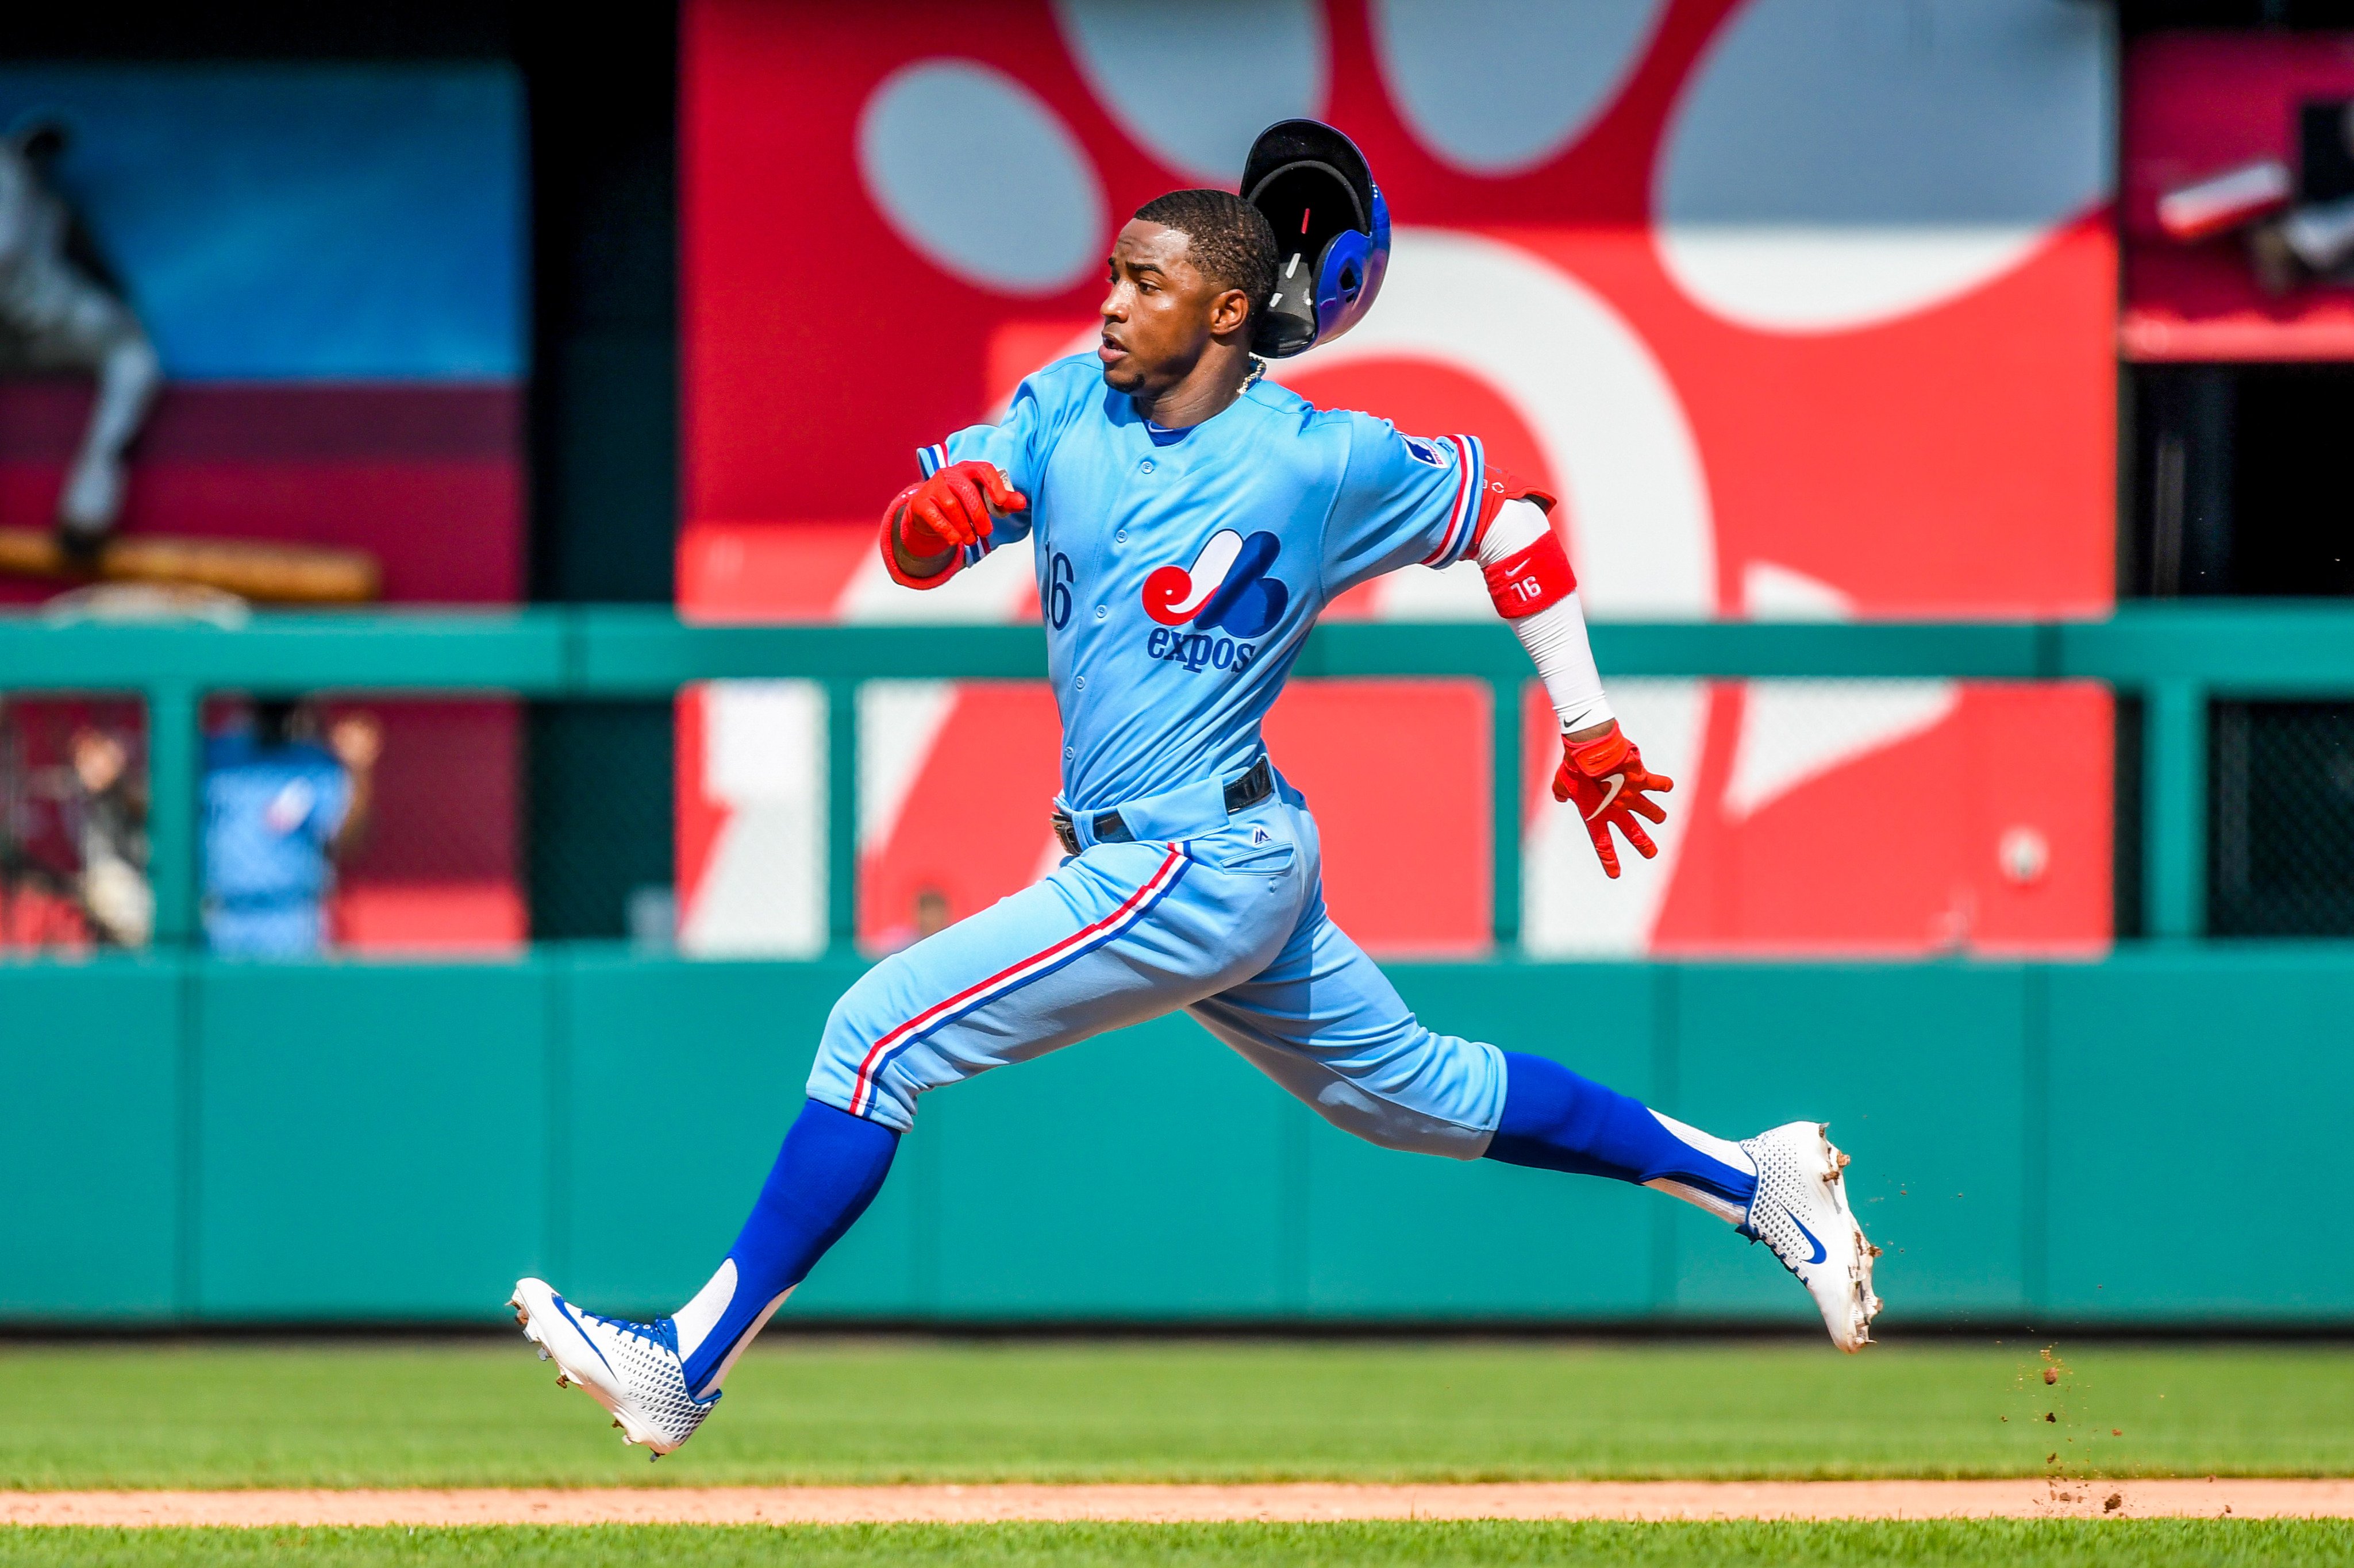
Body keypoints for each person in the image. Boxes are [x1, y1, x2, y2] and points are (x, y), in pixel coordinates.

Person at [511, 169, 1880, 1456]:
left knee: (874, 1036)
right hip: (1205, 851)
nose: (1110, 302)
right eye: (1112, 275)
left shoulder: (1315, 458)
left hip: (1191, 858)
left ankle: (686, 1360)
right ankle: (1755, 1178)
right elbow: (919, 547)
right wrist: (932, 519)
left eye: (1143, 280)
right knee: (1417, 1093)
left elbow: (1510, 521)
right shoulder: (1063, 405)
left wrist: (1583, 723)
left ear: (1229, 309)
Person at [199, 700, 379, 957]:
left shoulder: (314, 763)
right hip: (225, 912)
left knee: (293, 994)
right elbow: (158, 810)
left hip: (292, 913)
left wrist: (357, 770)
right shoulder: (217, 755)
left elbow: (348, 840)